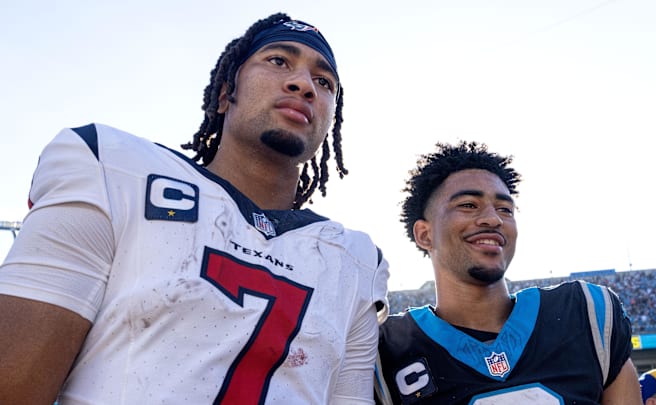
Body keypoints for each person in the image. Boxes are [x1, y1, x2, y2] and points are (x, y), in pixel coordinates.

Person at [0, 12, 389, 404]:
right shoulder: (112, 168)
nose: (303, 84)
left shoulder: (355, 261)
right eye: (278, 61)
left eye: (323, 83)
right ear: (225, 93)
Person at [374, 141, 642, 404]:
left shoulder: (585, 313)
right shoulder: (387, 348)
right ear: (425, 234)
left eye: (505, 209)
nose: (494, 219)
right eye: (468, 205)